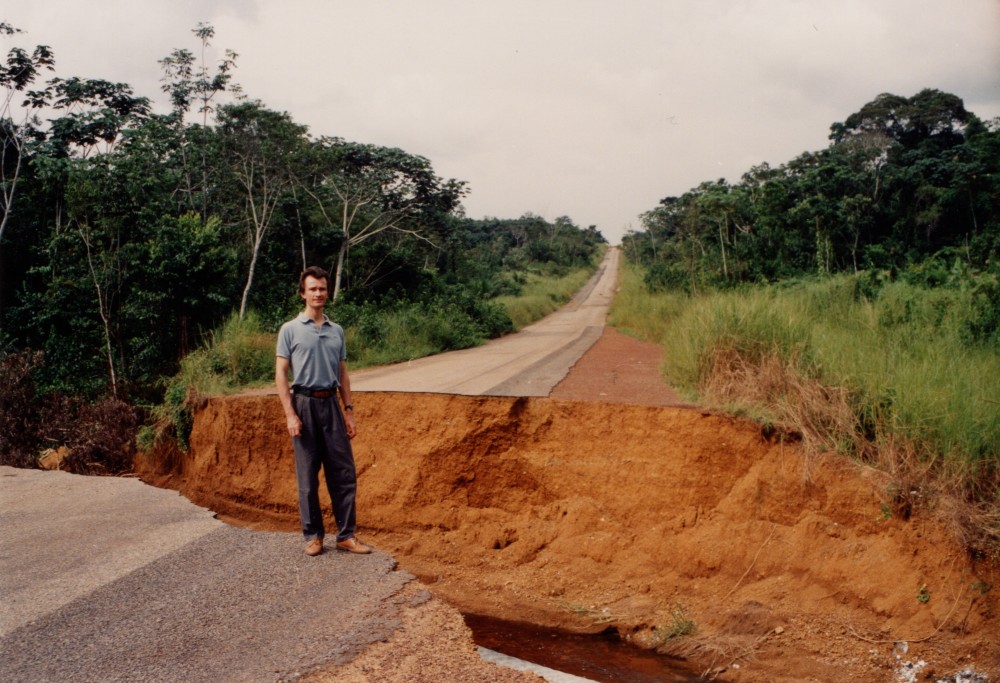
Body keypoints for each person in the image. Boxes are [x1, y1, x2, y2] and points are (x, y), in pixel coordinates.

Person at [276, 266, 372, 557]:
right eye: (312, 289)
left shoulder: (337, 331)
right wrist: (290, 414)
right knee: (307, 477)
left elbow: (343, 374)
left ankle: (346, 535)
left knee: (343, 473)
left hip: (331, 404)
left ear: (327, 292)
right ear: (302, 293)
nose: (318, 293)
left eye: (322, 288)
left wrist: (349, 411)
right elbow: (281, 374)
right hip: (303, 404)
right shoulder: (290, 329)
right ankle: (314, 536)